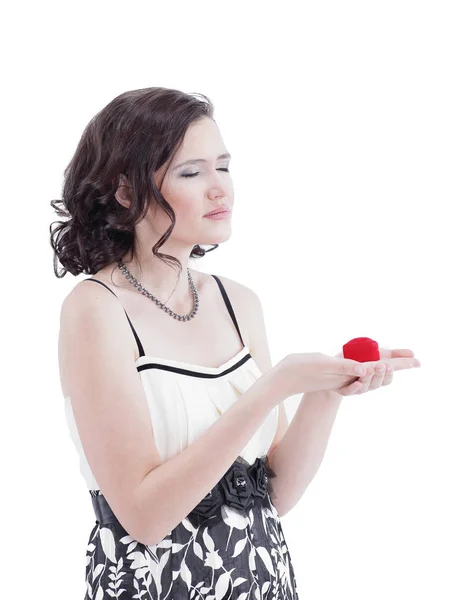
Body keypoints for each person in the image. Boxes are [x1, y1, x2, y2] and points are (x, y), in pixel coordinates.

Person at [50, 87, 420, 599]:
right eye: (191, 172)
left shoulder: (237, 302)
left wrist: (325, 391)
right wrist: (272, 389)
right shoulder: (96, 309)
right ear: (126, 193)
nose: (219, 189)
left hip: (263, 579)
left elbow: (275, 495)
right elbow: (145, 518)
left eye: (223, 166)